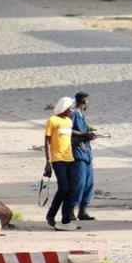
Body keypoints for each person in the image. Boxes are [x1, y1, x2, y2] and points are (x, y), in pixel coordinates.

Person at [44, 97, 79, 231]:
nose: (72, 110)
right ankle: (51, 215)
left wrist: (84, 134)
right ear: (64, 108)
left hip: (69, 158)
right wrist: (48, 162)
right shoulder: (52, 120)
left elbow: (69, 137)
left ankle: (65, 219)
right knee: (63, 188)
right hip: (57, 160)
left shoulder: (69, 121)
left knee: (72, 189)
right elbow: (47, 142)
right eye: (70, 108)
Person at [71, 92, 97, 221]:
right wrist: (83, 135)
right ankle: (70, 211)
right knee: (79, 183)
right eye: (88, 101)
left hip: (86, 153)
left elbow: (83, 130)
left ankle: (82, 211)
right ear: (84, 101)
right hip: (78, 152)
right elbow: (68, 130)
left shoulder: (81, 116)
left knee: (89, 183)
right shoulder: (74, 114)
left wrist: (89, 132)